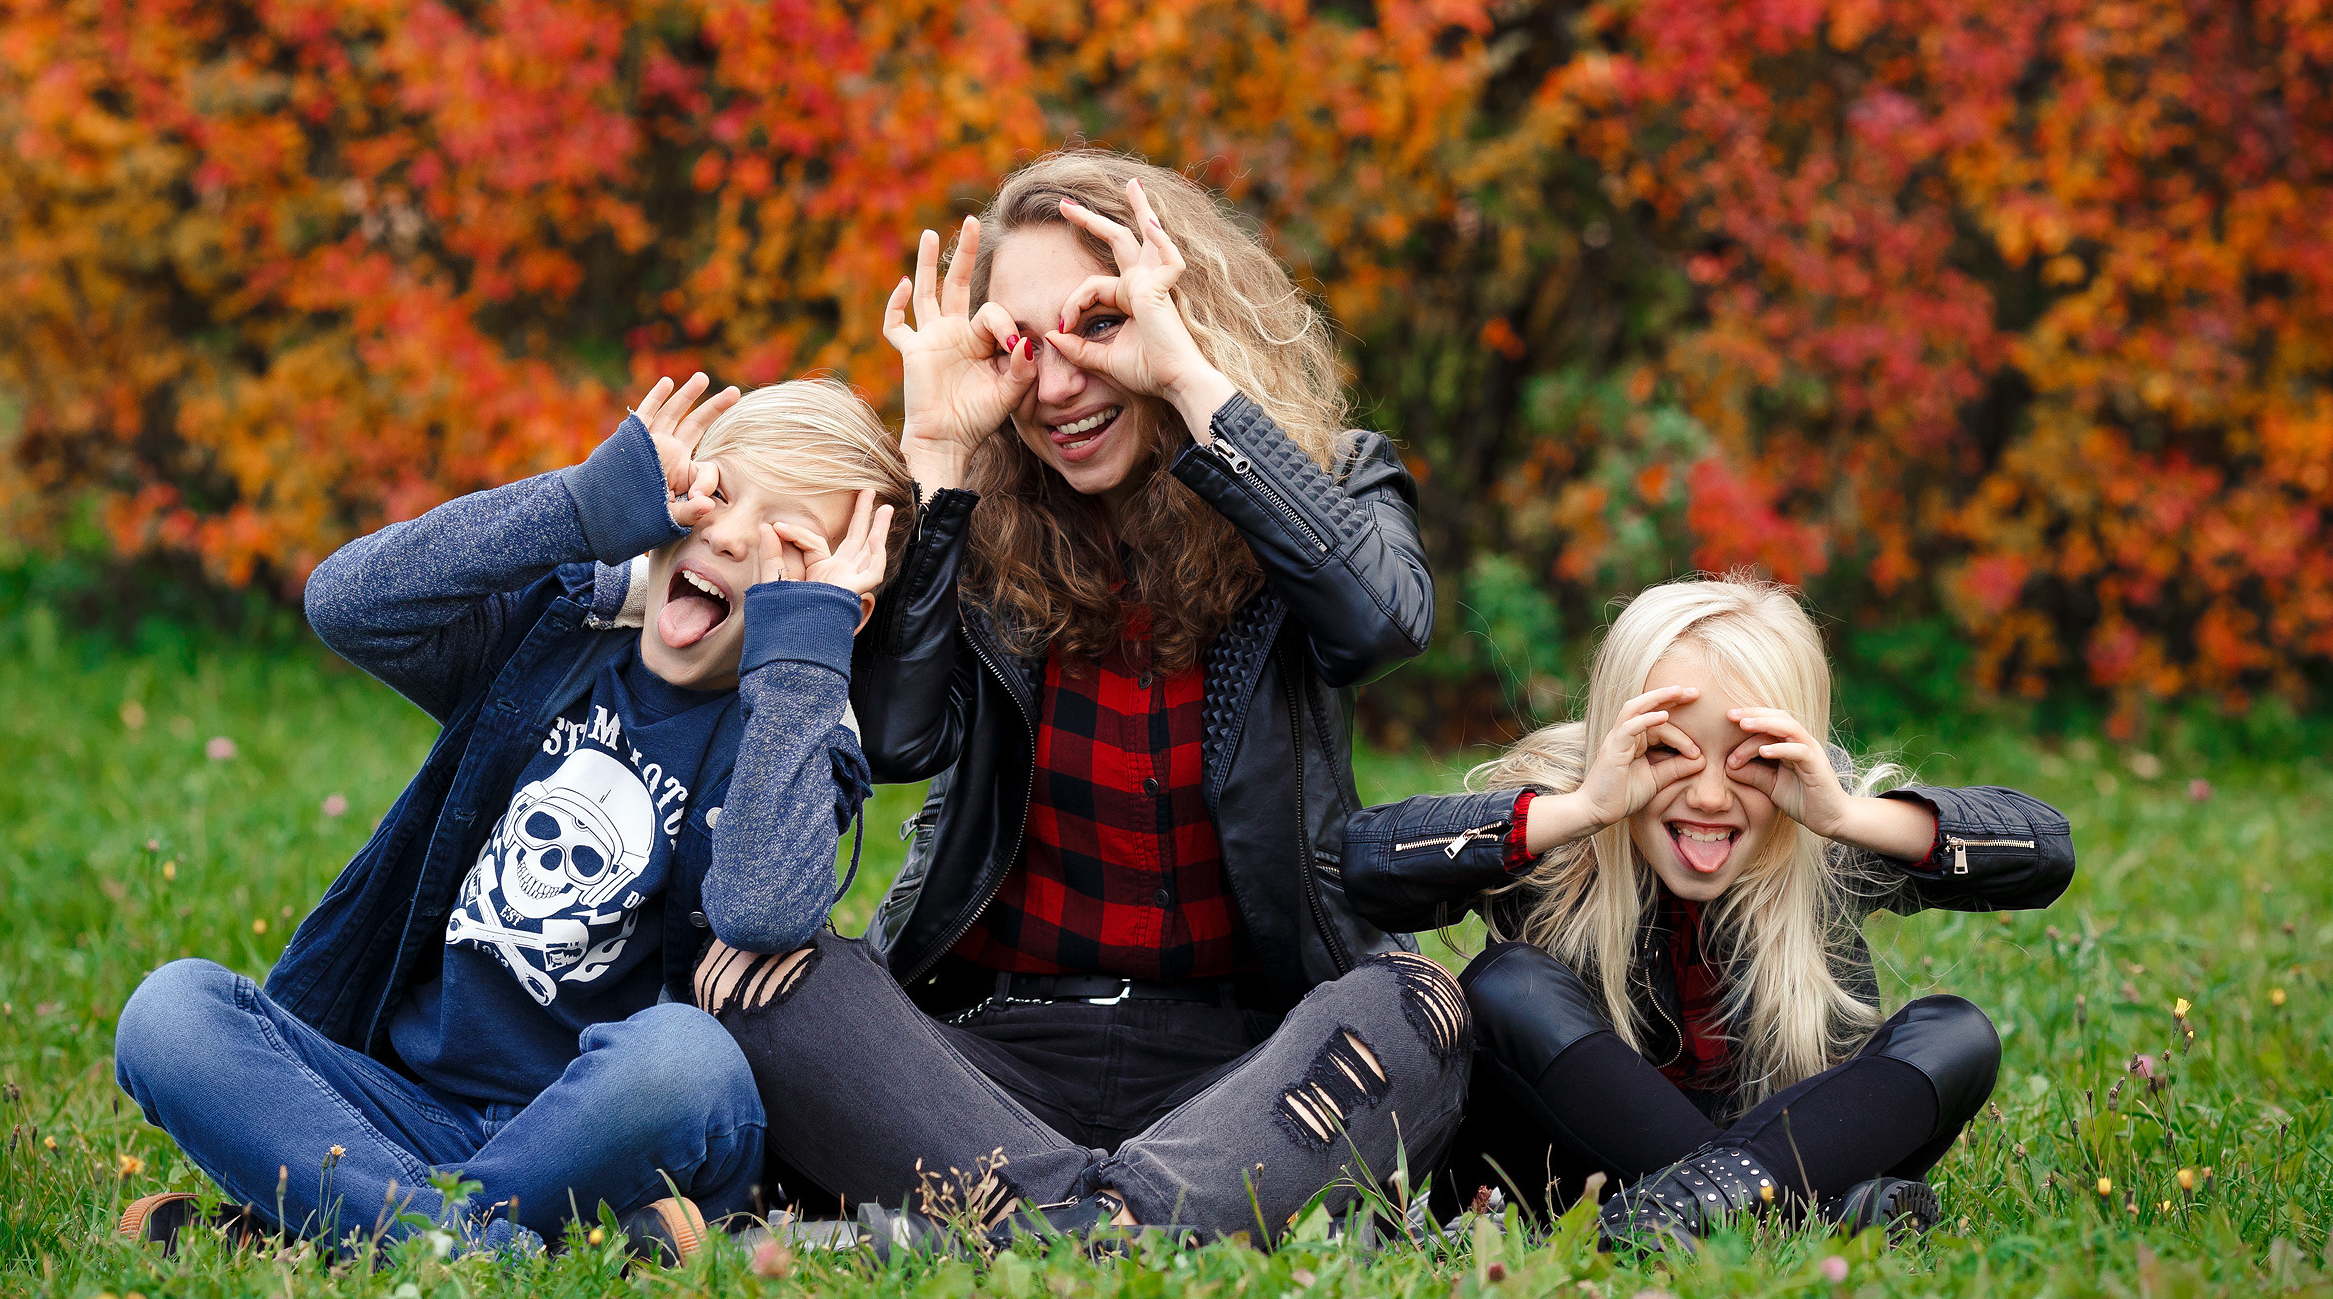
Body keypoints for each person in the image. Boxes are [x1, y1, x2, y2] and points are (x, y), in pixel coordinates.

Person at [695, 148, 1466, 1244]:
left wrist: (1194, 384)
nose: (1055, 387)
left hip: (1245, 1069)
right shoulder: (972, 508)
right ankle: (1128, 1225)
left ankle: (1027, 1224)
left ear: (1176, 312)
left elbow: (1378, 622)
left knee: (1417, 1001)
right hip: (988, 1065)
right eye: (1019, 345)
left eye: (1098, 326)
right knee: (755, 974)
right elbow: (903, 734)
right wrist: (935, 456)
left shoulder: (1330, 478)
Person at [111, 376, 915, 1261]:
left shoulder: (797, 735)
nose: (726, 535)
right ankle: (452, 1240)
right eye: (717, 494)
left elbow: (762, 911)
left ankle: (342, 1225)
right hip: (399, 1104)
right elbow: (349, 604)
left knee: (689, 1059)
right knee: (171, 1011)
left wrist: (801, 657)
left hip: (605, 1135)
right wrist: (581, 505)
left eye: (781, 543)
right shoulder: (559, 635)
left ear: (833, 608)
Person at [1341, 575, 2074, 1248]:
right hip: (1559, 1179)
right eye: (1672, 752)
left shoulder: (1816, 831)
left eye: (1752, 757)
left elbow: (2046, 852)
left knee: (1959, 1033)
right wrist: (1584, 808)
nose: (1712, 797)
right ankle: (1793, 1216)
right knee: (1507, 984)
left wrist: (1848, 815)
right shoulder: (1566, 813)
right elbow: (1362, 866)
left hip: (1787, 1144)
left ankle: (1693, 1213)